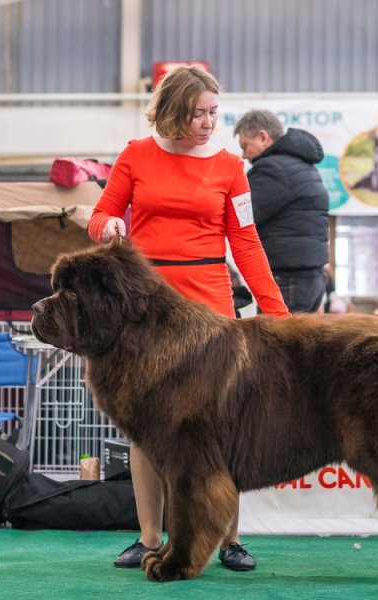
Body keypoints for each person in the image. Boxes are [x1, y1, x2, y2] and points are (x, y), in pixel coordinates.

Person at [87, 66, 290, 572]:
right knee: (144, 427)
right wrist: (108, 224)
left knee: (223, 427)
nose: (208, 123)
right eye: (198, 113)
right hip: (146, 310)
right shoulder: (135, 154)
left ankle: (231, 540)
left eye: (214, 113)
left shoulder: (229, 166)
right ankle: (149, 536)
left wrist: (276, 310)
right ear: (173, 111)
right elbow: (100, 215)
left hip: (210, 307)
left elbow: (245, 241)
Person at [233, 109, 329, 313]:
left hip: (287, 279)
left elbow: (241, 217)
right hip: (311, 278)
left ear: (262, 137)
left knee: (277, 343)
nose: (244, 155)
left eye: (245, 146)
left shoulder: (272, 169)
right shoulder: (303, 165)